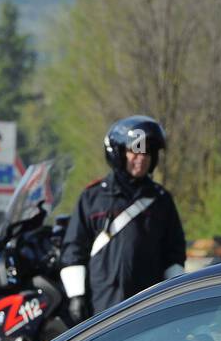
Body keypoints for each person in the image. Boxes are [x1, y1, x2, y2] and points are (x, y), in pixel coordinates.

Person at [59, 115, 186, 318]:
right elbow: (74, 248)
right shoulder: (93, 198)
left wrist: (176, 294)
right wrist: (76, 296)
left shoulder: (161, 201)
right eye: (135, 150)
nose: (142, 157)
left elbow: (174, 252)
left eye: (148, 152)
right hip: (101, 306)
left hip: (148, 307)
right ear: (118, 153)